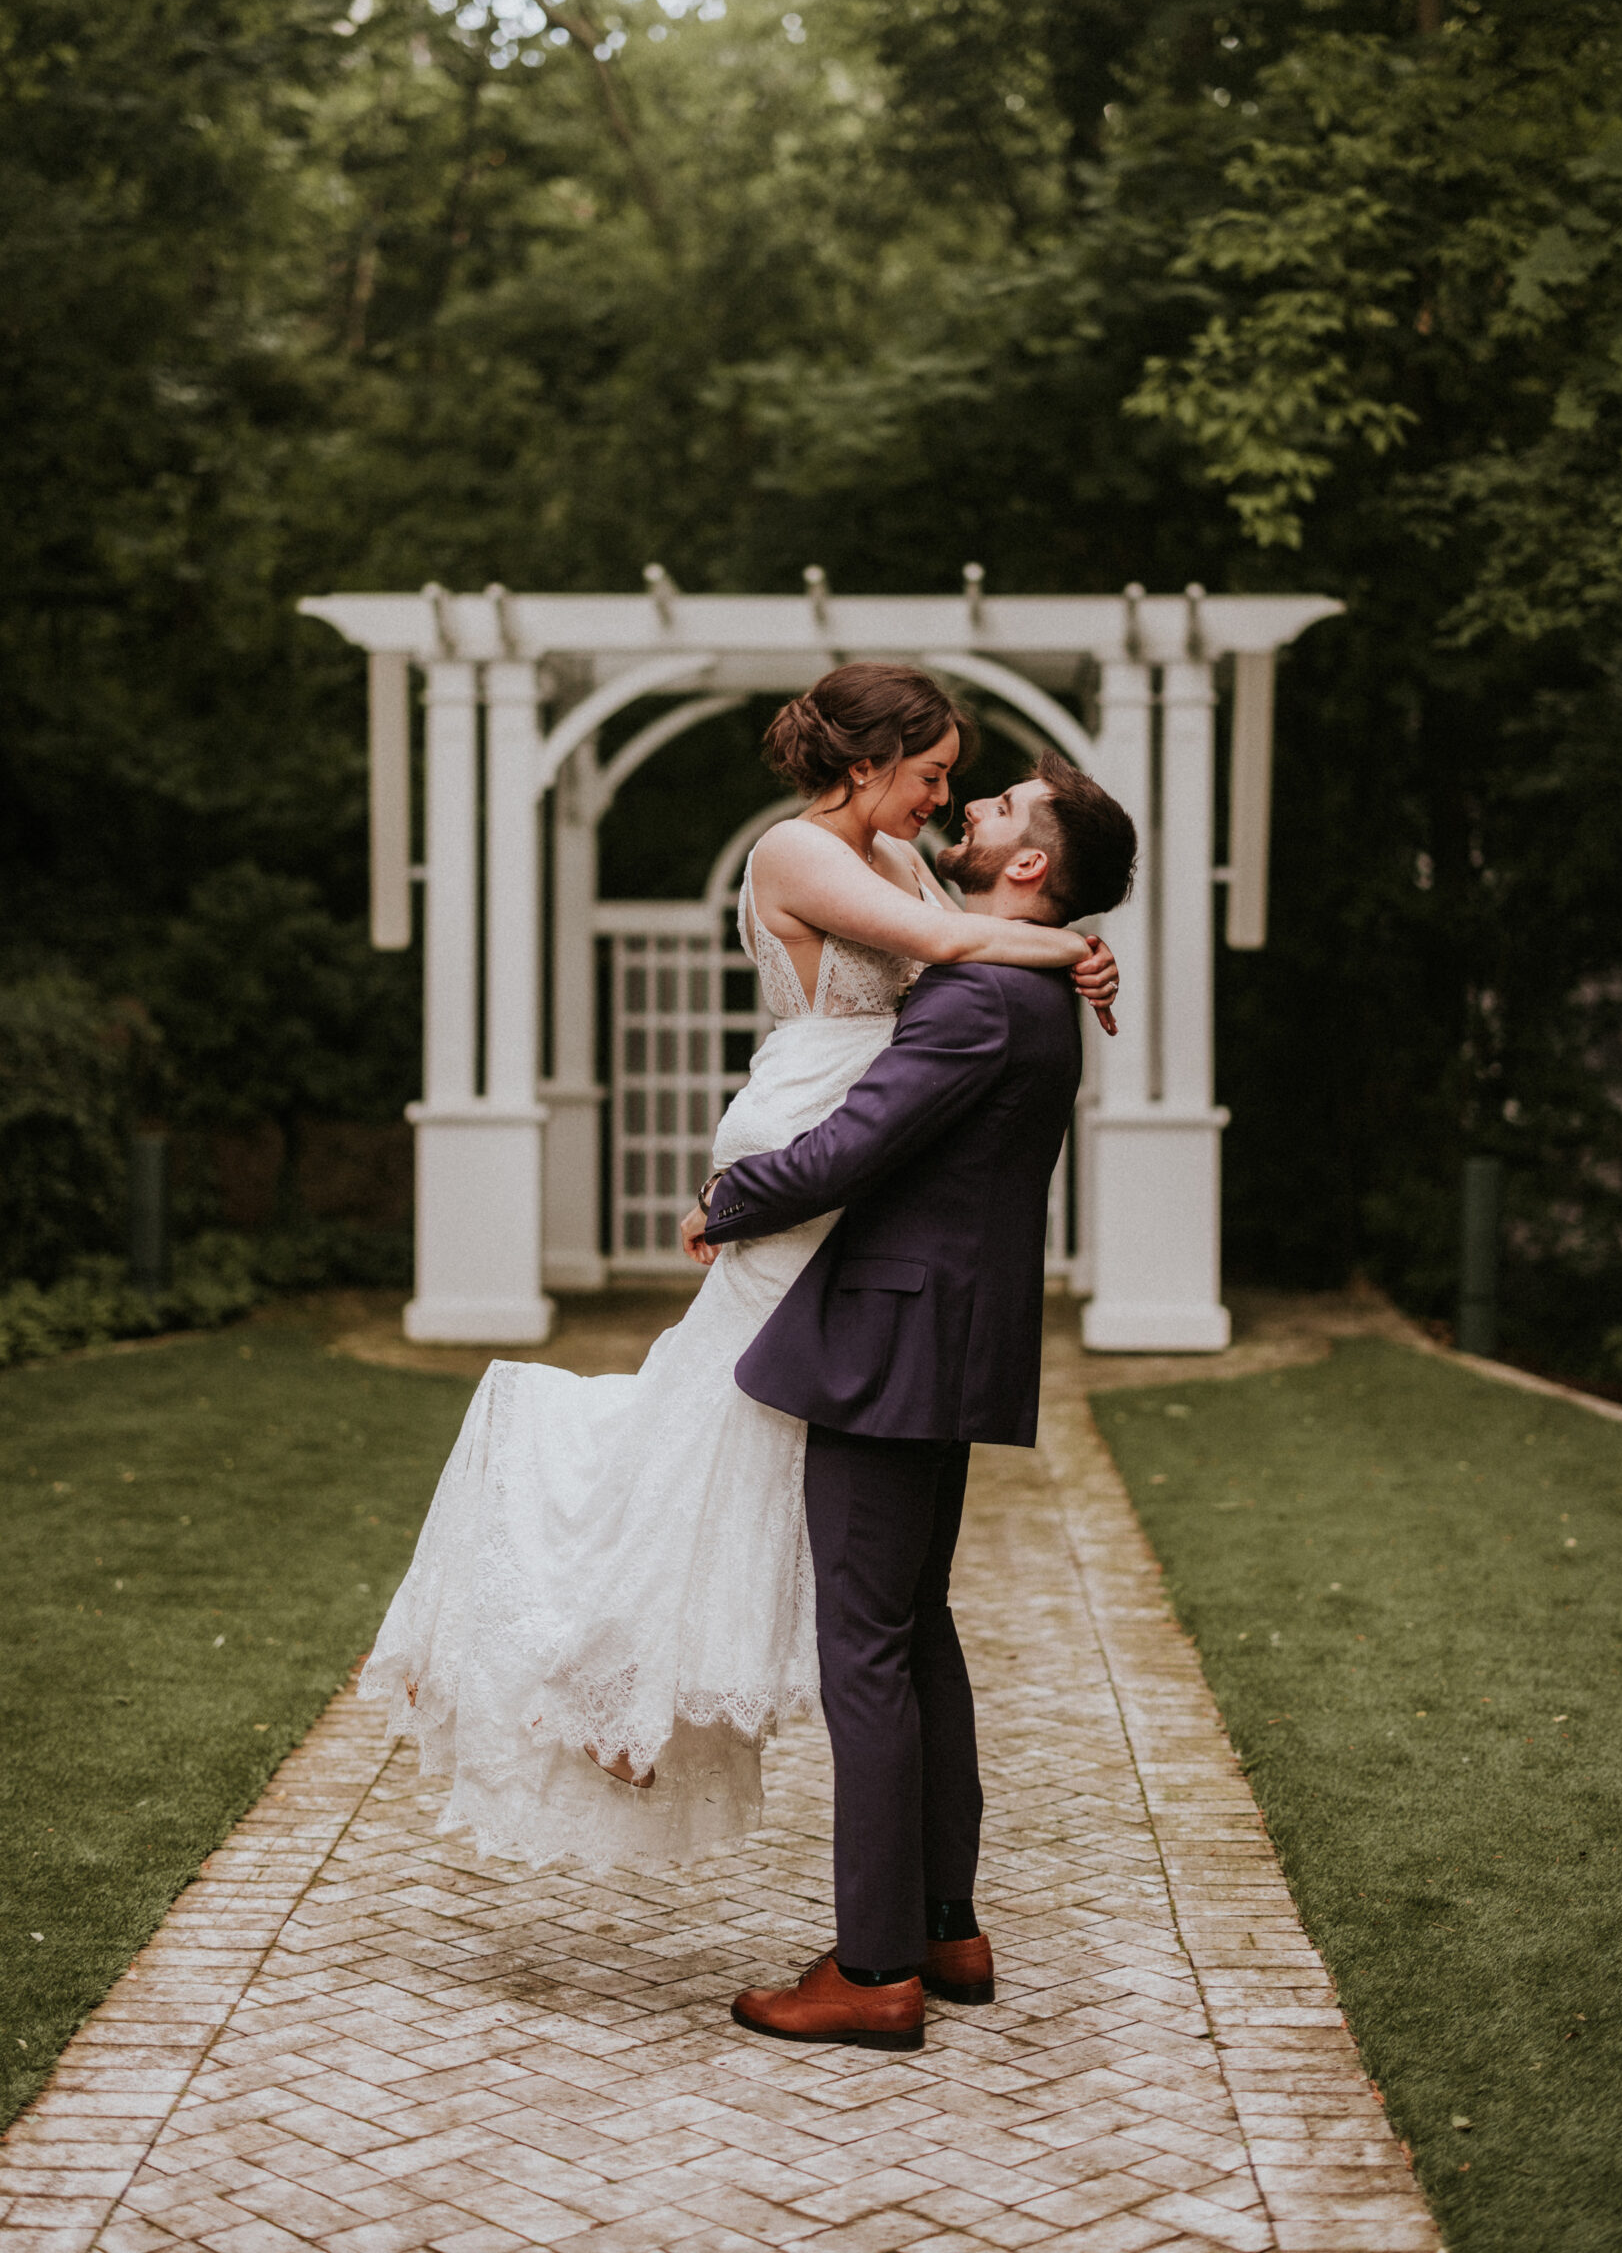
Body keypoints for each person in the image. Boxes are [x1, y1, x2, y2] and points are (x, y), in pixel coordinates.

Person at [359, 664, 1120, 1873]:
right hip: (811, 1124)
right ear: (867, 762)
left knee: (721, 1415)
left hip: (856, 1134)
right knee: (722, 1407)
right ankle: (595, 1661)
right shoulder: (796, 850)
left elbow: (958, 948)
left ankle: (622, 1669)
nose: (942, 796)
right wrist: (1070, 945)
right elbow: (938, 948)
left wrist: (1055, 949)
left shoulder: (902, 855)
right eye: (930, 773)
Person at [686, 751, 1138, 2051]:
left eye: (994, 809)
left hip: (893, 1340)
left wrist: (730, 1201)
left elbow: (854, 1145)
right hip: (948, 1336)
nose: (968, 811)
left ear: (1030, 866)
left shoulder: (981, 1000)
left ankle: (875, 1968)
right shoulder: (1023, 987)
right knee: (916, 1631)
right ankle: (946, 1926)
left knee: (867, 1650)